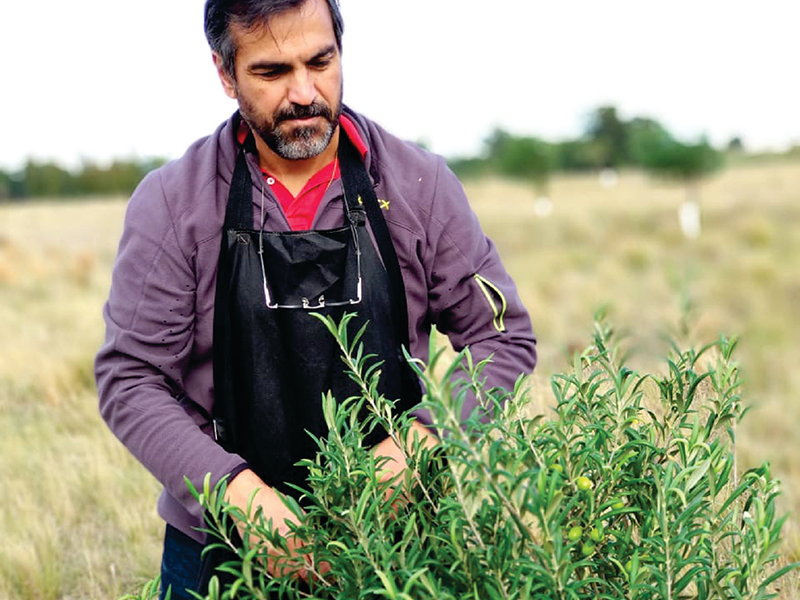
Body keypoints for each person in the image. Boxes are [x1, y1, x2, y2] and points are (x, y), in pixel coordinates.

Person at [94, 0, 537, 598]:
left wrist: (418, 444)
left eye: (320, 61)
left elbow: (501, 337)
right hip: (219, 550)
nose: (305, 93)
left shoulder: (418, 186)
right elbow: (131, 378)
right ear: (226, 74)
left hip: (395, 547)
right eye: (272, 72)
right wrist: (237, 495)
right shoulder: (173, 202)